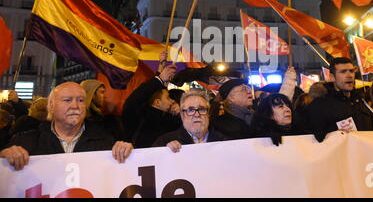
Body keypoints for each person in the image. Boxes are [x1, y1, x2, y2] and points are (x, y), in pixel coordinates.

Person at [0, 82, 133, 171]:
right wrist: (4, 157)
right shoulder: (24, 141)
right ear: (51, 106)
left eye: (81, 100)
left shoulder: (106, 141)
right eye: (67, 100)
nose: (75, 106)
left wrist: (128, 154)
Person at [301, 58, 373, 142]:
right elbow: (314, 139)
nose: (349, 75)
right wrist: (334, 135)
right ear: (332, 77)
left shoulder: (361, 102)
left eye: (351, 71)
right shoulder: (319, 105)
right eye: (343, 72)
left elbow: (372, 132)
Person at [122, 63, 181, 148]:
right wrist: (159, 79)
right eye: (168, 98)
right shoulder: (138, 117)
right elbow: (133, 101)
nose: (173, 101)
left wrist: (181, 114)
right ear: (157, 102)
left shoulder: (170, 120)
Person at [153, 89, 227, 152]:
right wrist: (164, 153)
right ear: (182, 115)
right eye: (191, 110)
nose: (197, 115)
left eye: (201, 109)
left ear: (208, 114)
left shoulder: (226, 142)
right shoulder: (164, 142)